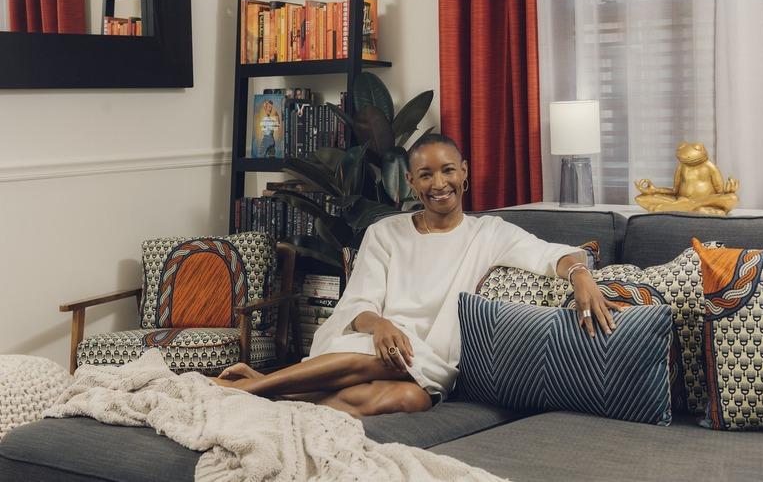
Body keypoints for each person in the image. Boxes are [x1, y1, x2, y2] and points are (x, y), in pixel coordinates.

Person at [214, 134, 620, 417]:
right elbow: (359, 303)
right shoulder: (385, 232)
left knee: (412, 400)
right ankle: (253, 390)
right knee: (389, 362)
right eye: (425, 175)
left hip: (432, 359)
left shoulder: (490, 233)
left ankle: (270, 394)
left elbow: (554, 255)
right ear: (411, 182)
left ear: (464, 173)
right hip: (370, 341)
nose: (438, 184)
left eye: (447, 171)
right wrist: (381, 326)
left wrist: (581, 275)